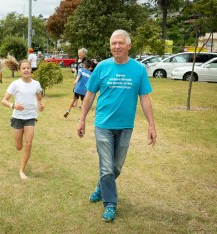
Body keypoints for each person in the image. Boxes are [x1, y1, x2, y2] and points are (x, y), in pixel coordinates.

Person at [77, 29, 157, 222]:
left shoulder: (138, 69)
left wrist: (151, 125)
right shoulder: (102, 67)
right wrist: (82, 119)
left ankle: (100, 188)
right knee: (106, 167)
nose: (117, 46)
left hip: (125, 127)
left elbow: (144, 98)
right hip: (103, 125)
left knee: (116, 167)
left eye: (120, 43)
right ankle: (110, 204)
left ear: (129, 46)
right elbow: (89, 95)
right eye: (113, 43)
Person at [1, 60, 44, 180]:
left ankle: (22, 170)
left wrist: (41, 104)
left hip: (30, 117)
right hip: (17, 118)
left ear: (31, 69)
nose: (26, 70)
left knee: (29, 143)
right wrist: (13, 106)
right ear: (19, 70)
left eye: (28, 68)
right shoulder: (15, 84)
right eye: (23, 68)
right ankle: (19, 147)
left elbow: (39, 98)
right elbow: (4, 100)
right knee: (18, 146)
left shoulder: (36, 84)